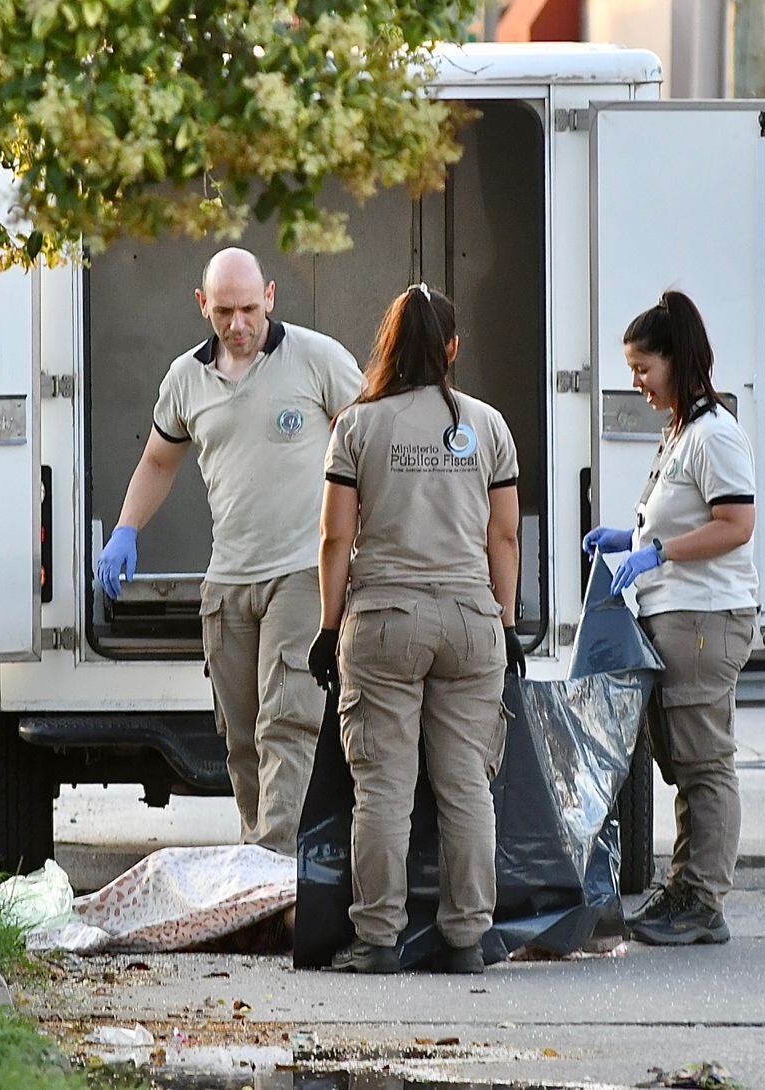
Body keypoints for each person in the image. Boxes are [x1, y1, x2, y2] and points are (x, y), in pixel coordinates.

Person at [96, 247, 361, 855]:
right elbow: (159, 462)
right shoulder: (186, 378)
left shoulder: (318, 360)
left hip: (303, 572)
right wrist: (125, 530)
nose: (238, 325)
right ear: (202, 307)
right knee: (240, 736)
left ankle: (273, 873)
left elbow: (368, 442)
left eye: (248, 309)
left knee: (287, 722)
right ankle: (257, 857)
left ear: (270, 296)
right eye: (223, 312)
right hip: (229, 580)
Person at [311, 284, 523, 975]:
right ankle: (466, 939)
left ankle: (376, 940)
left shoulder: (358, 425)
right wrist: (508, 620)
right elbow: (506, 535)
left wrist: (327, 624)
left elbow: (335, 535)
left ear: (388, 348)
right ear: (452, 349)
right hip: (470, 621)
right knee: (465, 785)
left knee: (383, 788)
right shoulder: (488, 426)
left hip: (385, 624)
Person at [584, 290, 756, 947]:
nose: (636, 382)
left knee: (705, 762)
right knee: (683, 760)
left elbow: (736, 526)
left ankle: (704, 902)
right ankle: (685, 888)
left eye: (642, 369)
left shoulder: (715, 435)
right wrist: (627, 540)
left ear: (676, 362)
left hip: (706, 615)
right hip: (678, 613)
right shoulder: (681, 433)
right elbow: (674, 519)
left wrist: (658, 553)